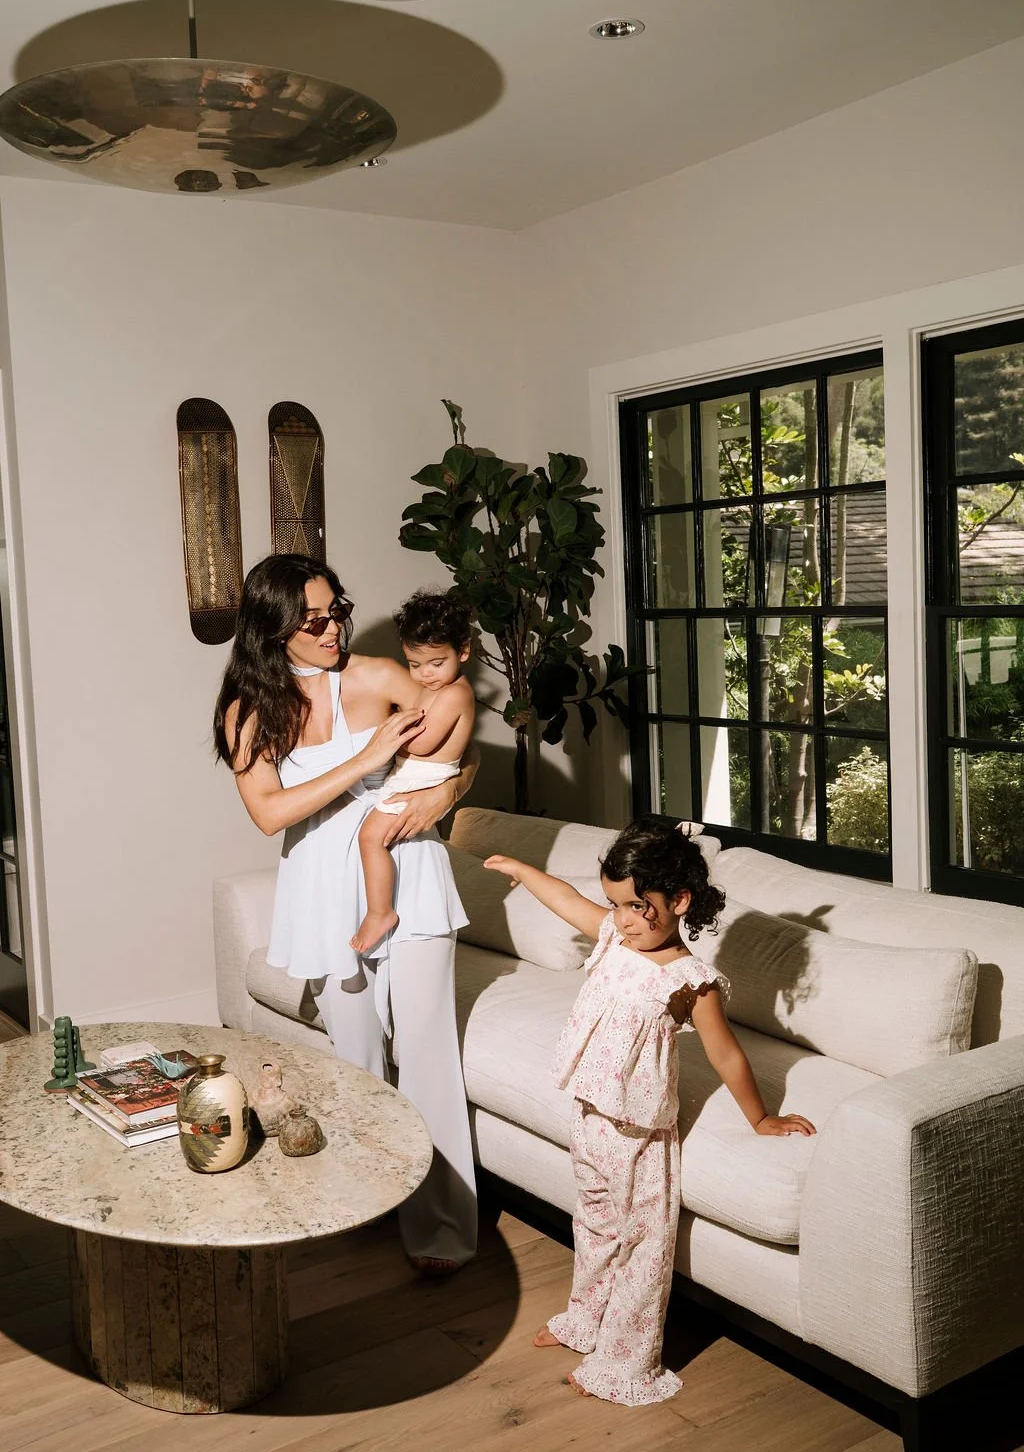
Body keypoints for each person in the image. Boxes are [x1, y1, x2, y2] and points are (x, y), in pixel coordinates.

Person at [483, 818, 816, 1404]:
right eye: (616, 906)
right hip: (590, 1115)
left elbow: (724, 1053)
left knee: (643, 1244)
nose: (624, 920)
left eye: (638, 907)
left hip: (640, 1132)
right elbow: (567, 900)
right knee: (592, 1223)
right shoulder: (614, 938)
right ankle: (586, 1322)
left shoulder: (689, 979)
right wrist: (523, 870)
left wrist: (762, 1119)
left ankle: (624, 1361)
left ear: (679, 901)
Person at [213, 554, 478, 1270]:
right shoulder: (250, 712)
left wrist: (439, 799)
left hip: (408, 870)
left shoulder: (381, 676)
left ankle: (444, 1233)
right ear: (274, 630)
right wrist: (364, 762)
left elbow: (457, 746)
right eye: (313, 619)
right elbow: (269, 815)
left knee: (426, 1055)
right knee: (358, 1060)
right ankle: (367, 1199)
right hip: (326, 891)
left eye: (338, 610)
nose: (333, 628)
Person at [352, 590, 476, 956]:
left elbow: (423, 745)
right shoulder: (433, 686)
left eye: (436, 663)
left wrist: (390, 733)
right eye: (415, 664)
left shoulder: (456, 695)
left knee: (370, 837)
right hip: (411, 774)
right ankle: (382, 906)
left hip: (423, 778)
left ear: (463, 652)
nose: (425, 674)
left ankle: (381, 913)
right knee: (379, 838)